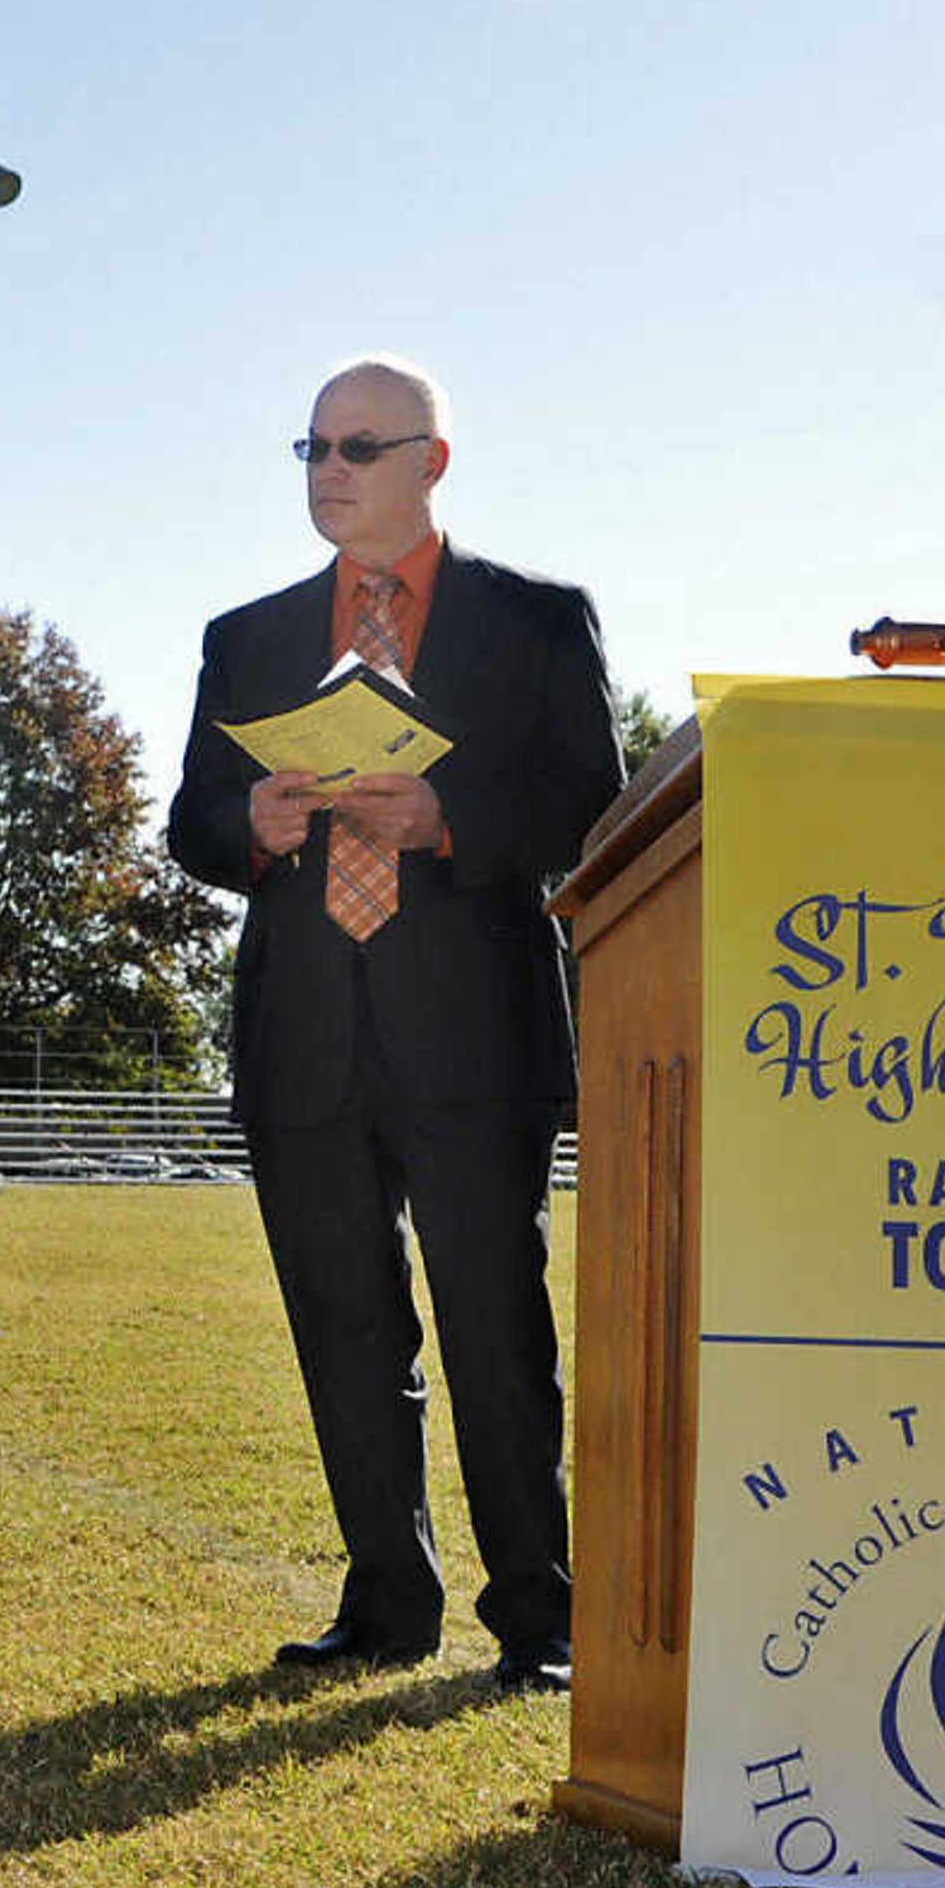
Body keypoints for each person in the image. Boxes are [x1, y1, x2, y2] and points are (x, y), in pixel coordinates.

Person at [163, 358, 625, 1694]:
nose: (329, 470)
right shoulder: (244, 638)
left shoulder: (534, 621)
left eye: (358, 447)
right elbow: (190, 818)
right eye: (311, 447)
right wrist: (243, 827)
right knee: (344, 1329)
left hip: (474, 1039)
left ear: (432, 461)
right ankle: (386, 1605)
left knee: (497, 1328)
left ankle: (540, 1619)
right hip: (305, 1037)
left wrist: (450, 821)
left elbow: (589, 806)